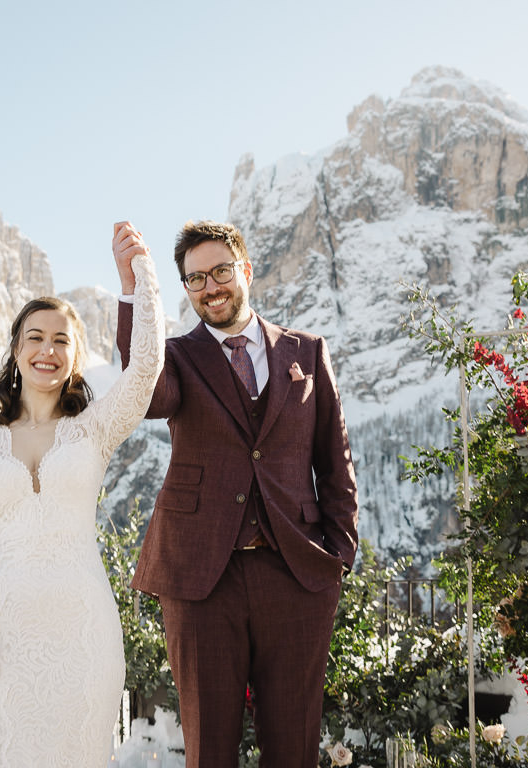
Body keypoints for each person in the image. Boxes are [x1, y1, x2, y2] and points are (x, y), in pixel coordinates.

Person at [0, 244, 164, 766]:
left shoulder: (95, 429)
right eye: (35, 337)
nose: (48, 349)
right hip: (2, 635)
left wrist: (137, 278)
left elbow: (147, 368)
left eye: (62, 340)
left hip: (85, 630)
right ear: (15, 350)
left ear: (75, 357)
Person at [113, 220, 358, 767]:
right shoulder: (175, 357)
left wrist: (338, 556)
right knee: (209, 751)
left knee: (294, 749)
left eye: (221, 270)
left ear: (245, 270)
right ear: (185, 288)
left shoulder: (308, 353)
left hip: (295, 575)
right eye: (195, 278)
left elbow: (334, 462)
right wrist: (130, 290)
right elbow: (143, 394)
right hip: (201, 581)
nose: (211, 286)